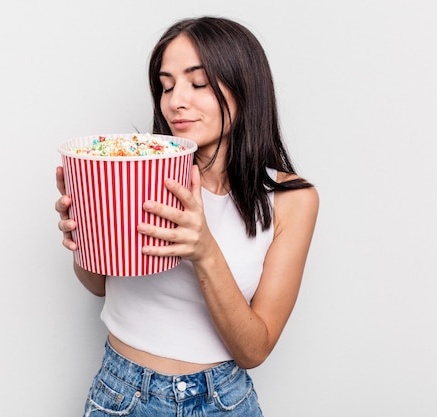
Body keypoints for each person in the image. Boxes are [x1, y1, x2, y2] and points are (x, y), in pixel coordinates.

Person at [55, 16, 319, 417]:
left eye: (197, 83)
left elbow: (254, 349)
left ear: (245, 88)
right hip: (123, 394)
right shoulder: (137, 175)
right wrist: (85, 235)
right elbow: (99, 286)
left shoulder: (292, 199)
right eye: (166, 85)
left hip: (224, 401)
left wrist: (205, 250)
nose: (176, 100)